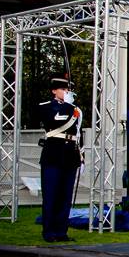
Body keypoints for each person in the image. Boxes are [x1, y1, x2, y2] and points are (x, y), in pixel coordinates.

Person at [38, 77, 83, 243]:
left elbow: (78, 133)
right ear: (54, 90)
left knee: (65, 197)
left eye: (67, 89)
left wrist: (81, 156)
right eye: (63, 89)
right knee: (51, 195)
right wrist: (68, 107)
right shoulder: (46, 107)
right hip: (53, 155)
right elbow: (53, 121)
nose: (66, 92)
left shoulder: (75, 109)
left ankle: (61, 231)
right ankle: (49, 232)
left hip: (70, 155)